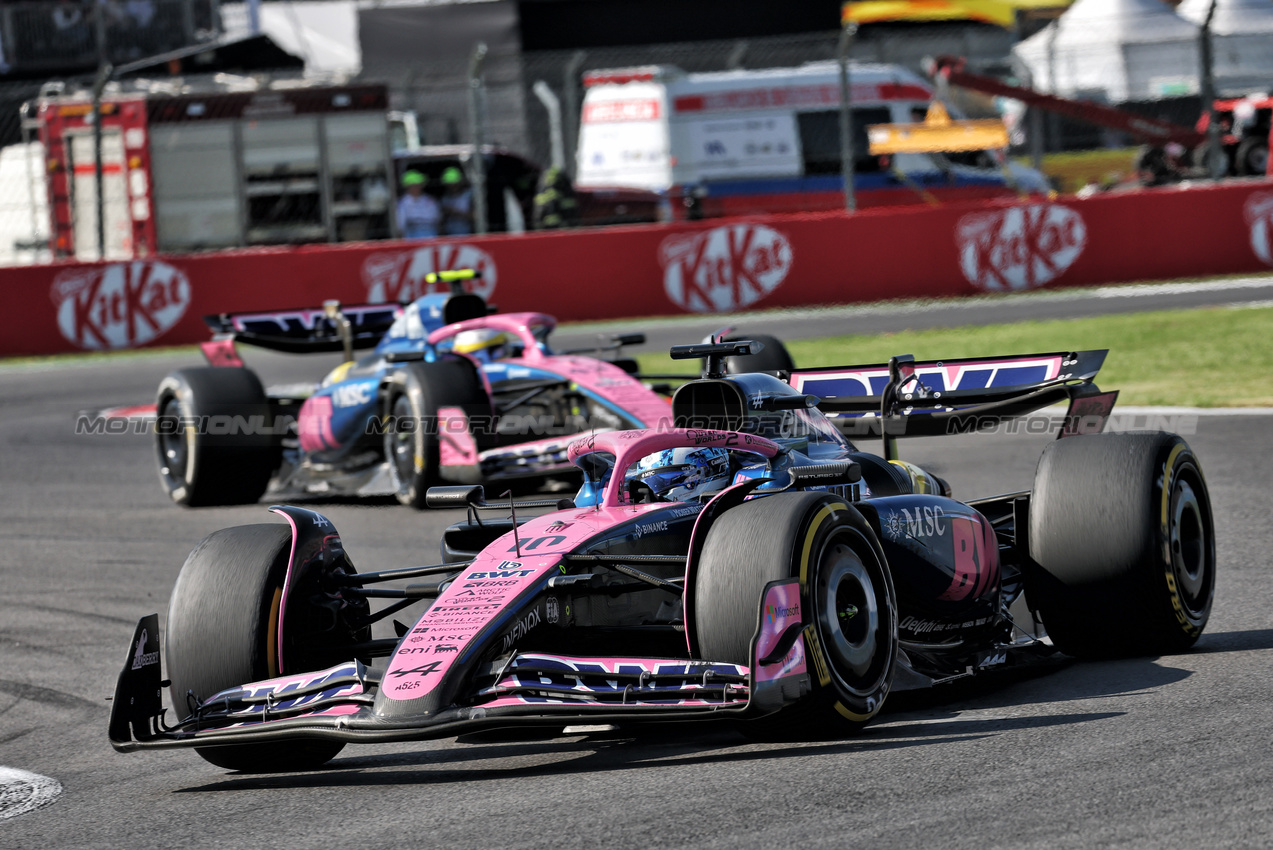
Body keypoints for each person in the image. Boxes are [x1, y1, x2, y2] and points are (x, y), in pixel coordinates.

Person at [396, 170, 440, 239]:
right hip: (410, 235)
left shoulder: (429, 200)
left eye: (418, 185)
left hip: (430, 234)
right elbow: (400, 224)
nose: (415, 188)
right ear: (407, 187)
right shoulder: (402, 203)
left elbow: (436, 218)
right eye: (412, 186)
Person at [439, 166, 474, 236]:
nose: (452, 186)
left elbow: (475, 216)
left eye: (454, 184)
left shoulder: (469, 195)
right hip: (449, 234)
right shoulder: (445, 198)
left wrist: (455, 212)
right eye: (449, 184)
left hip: (468, 234)